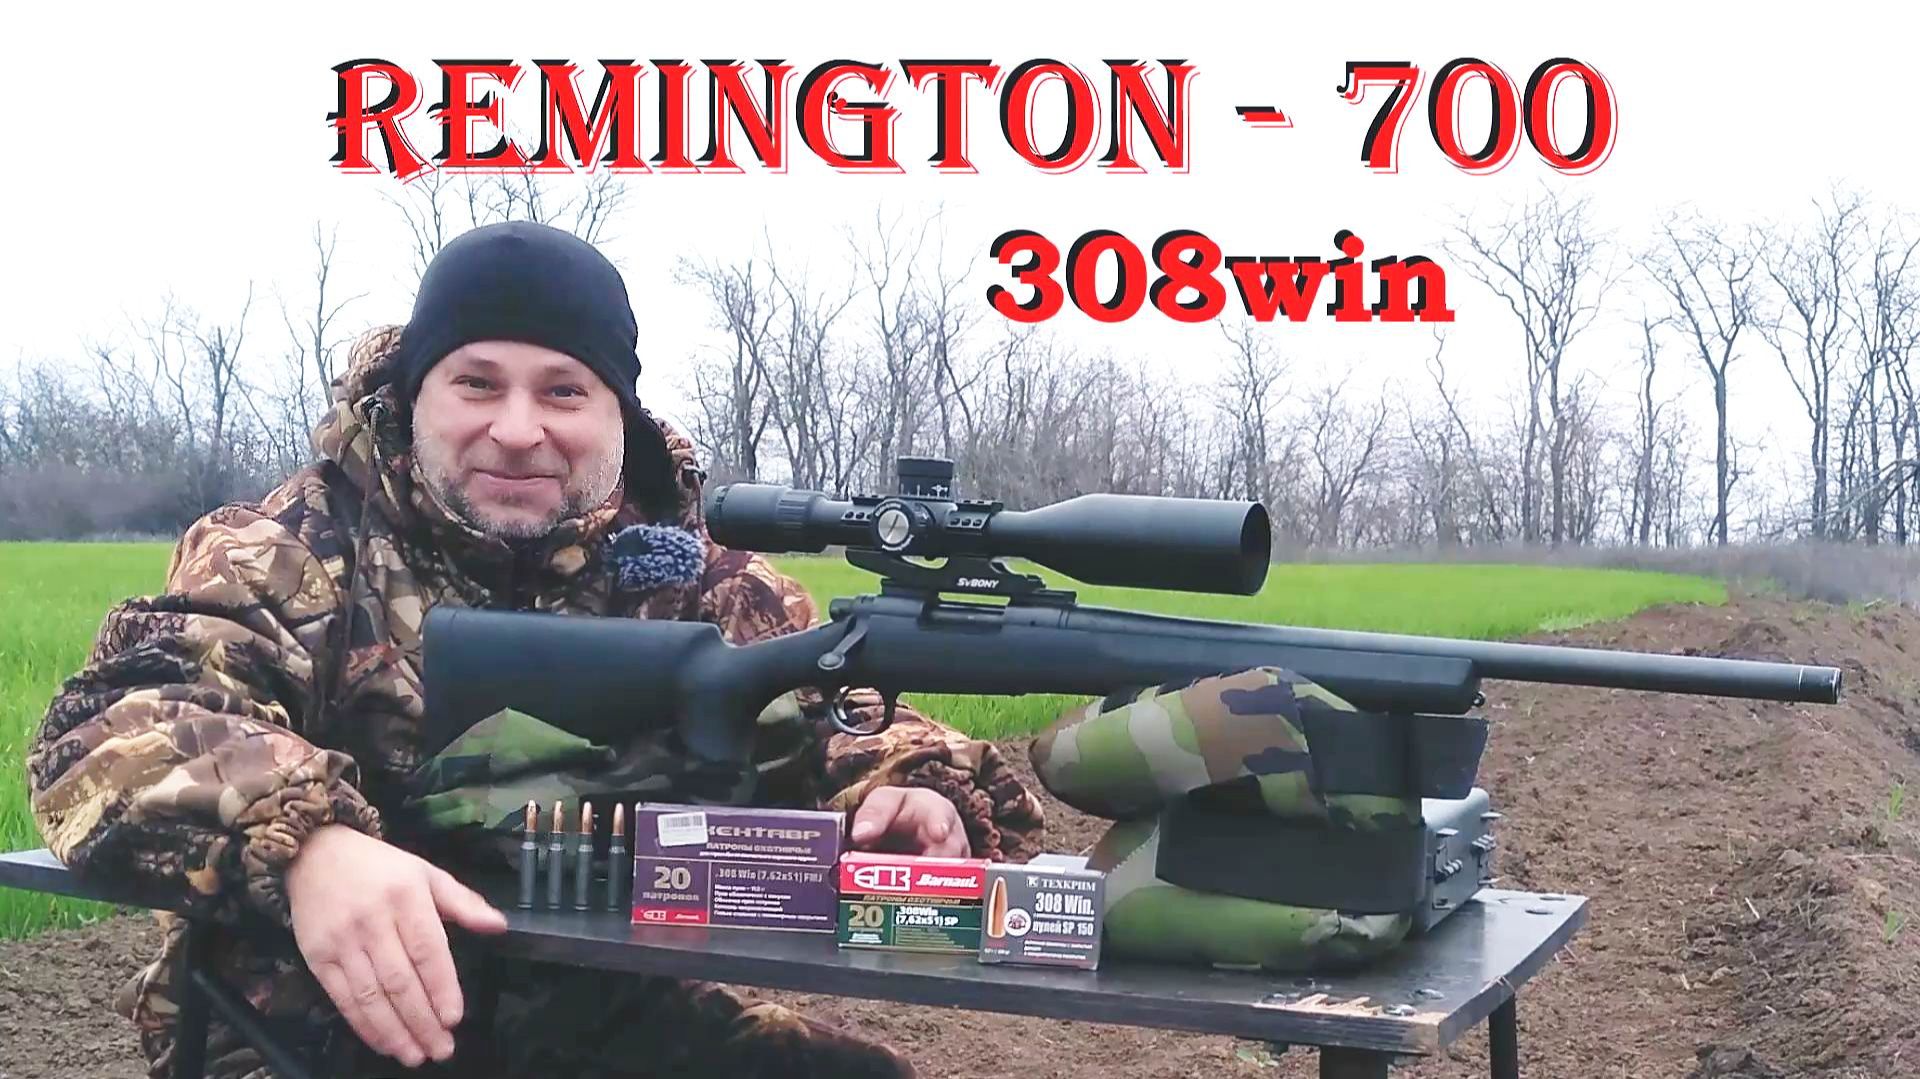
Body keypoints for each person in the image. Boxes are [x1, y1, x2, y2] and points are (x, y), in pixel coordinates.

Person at [27, 221, 1047, 1078]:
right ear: (415, 395)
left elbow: (835, 716)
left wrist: (909, 785)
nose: (518, 430)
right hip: (311, 1027)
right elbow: (111, 725)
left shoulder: (703, 576)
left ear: (618, 414)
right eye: (477, 383)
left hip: (598, 1015)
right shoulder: (284, 550)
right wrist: (310, 845)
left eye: (564, 391)